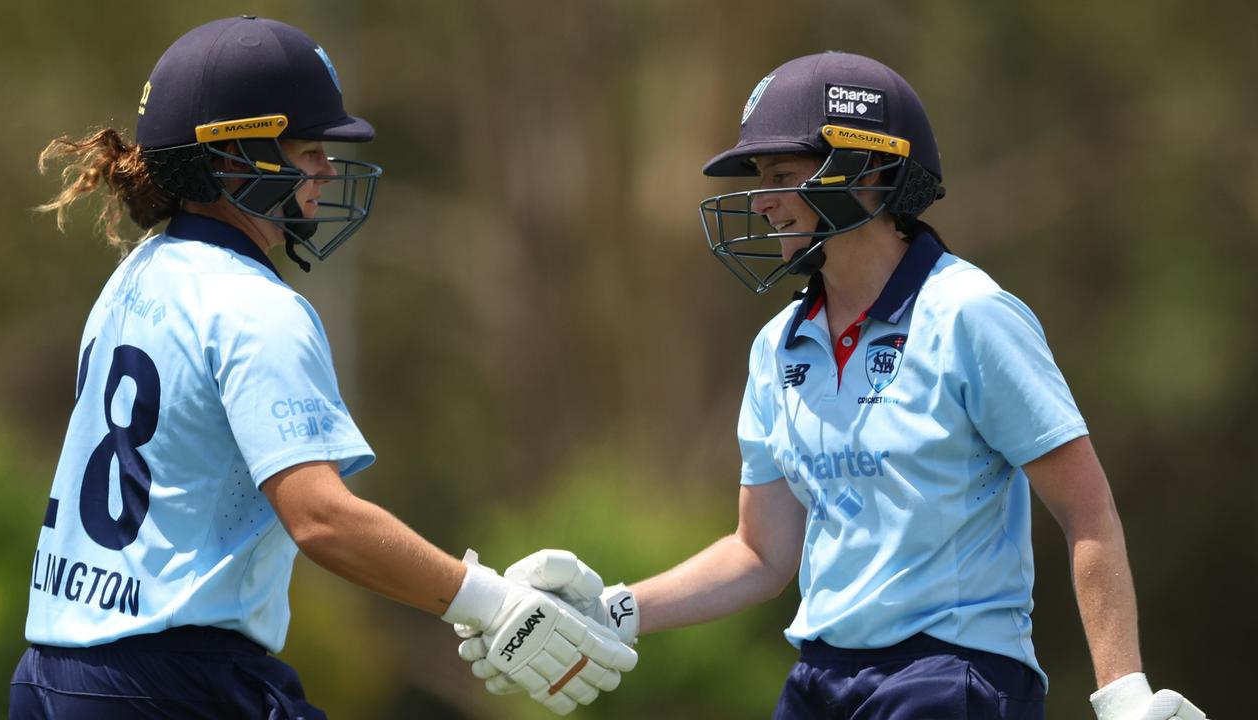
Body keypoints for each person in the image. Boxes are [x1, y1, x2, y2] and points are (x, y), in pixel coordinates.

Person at [464, 52, 1208, 720]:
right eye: (760, 182)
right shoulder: (777, 346)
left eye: (785, 177)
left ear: (872, 173)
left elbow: (1087, 511)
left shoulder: (970, 316)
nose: (763, 201)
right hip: (822, 678)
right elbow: (760, 555)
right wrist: (610, 609)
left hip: (952, 678)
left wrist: (1122, 693)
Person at [10, 16, 634, 719]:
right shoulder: (254, 306)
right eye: (308, 151)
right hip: (173, 682)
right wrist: (490, 602)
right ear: (233, 158)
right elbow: (321, 520)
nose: (328, 172)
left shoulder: (135, 276)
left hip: (50, 673)